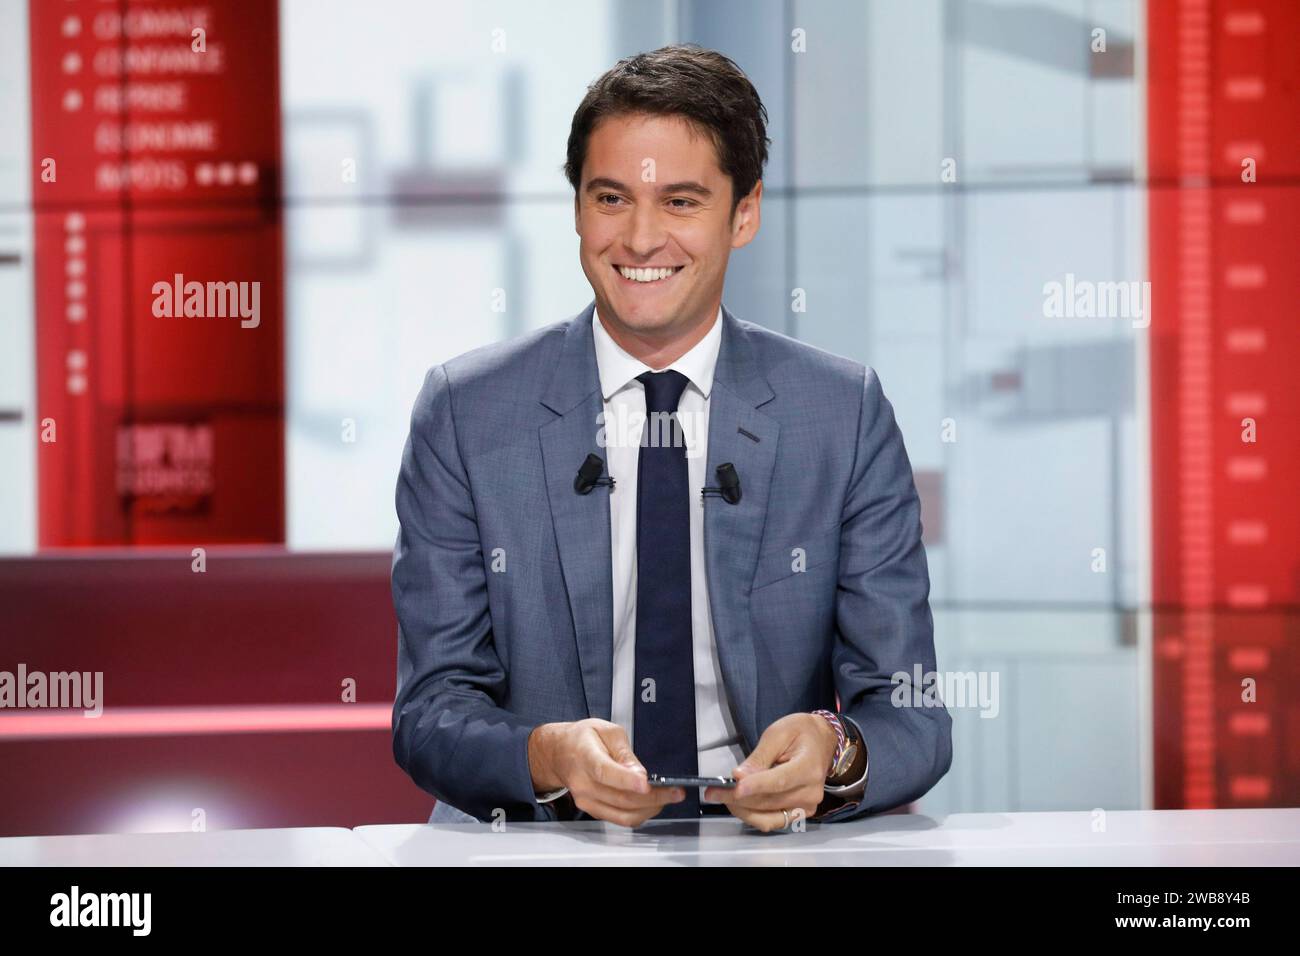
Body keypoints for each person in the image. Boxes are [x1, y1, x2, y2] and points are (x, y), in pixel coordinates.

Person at [391, 44, 951, 830]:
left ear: (744, 213)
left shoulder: (841, 415)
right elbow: (430, 713)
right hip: (542, 840)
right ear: (577, 208)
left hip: (767, 845)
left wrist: (833, 748)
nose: (642, 239)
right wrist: (547, 757)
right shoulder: (466, 414)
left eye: (682, 202)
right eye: (611, 198)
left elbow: (912, 714)